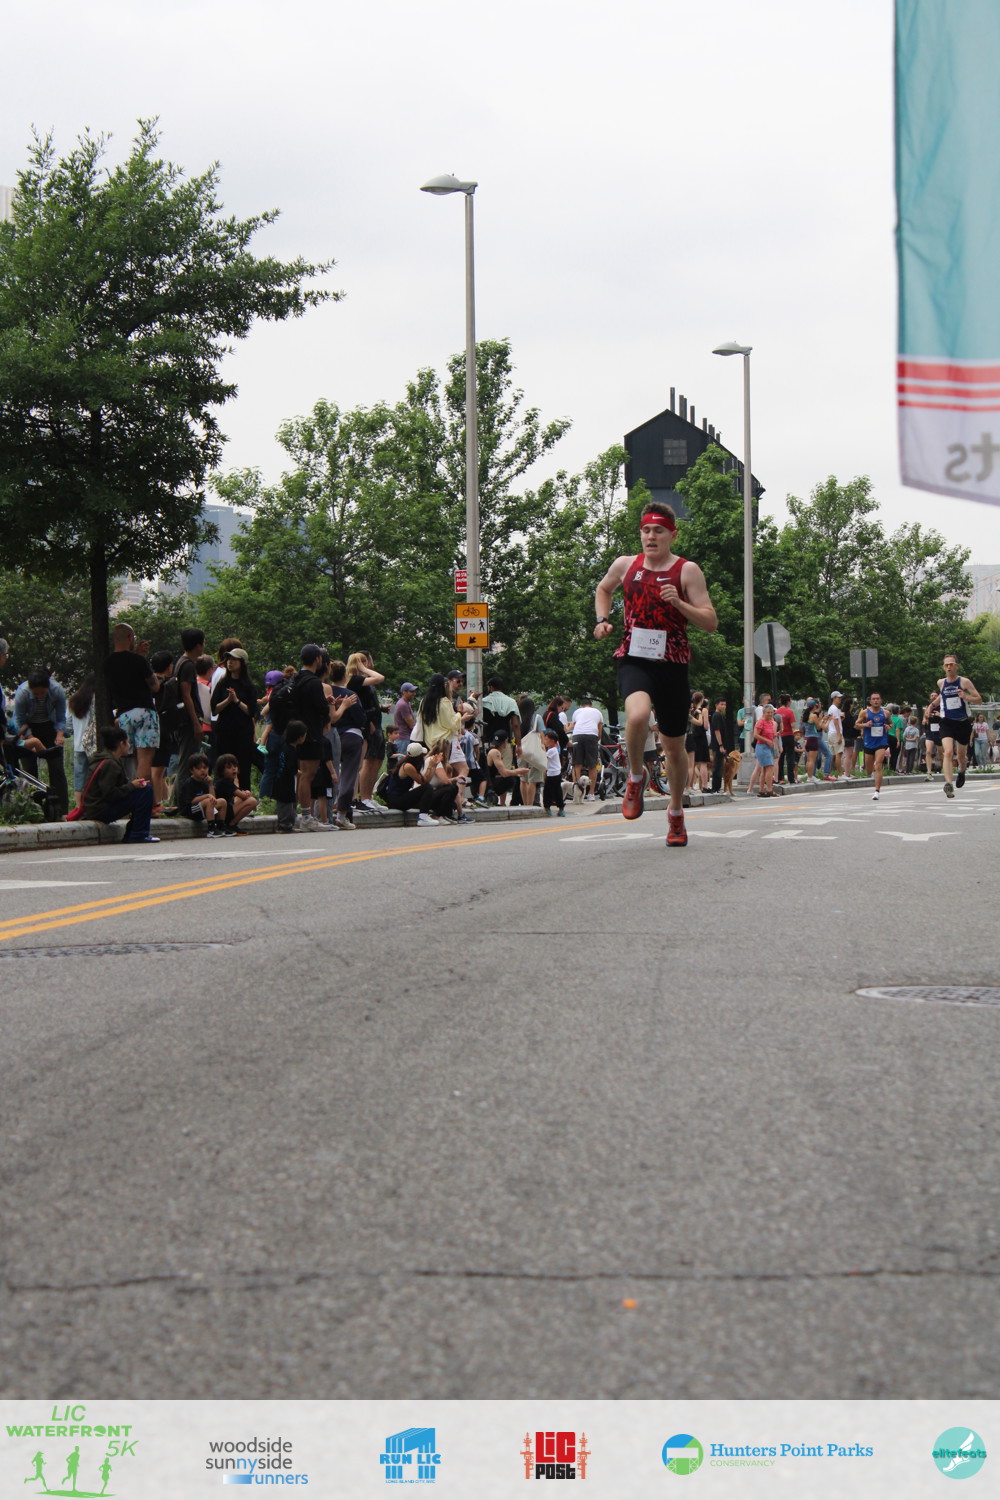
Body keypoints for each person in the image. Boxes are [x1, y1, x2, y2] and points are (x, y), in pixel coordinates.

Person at [594, 500, 718, 847]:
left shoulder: (687, 571)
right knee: (637, 716)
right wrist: (602, 620)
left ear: (672, 535)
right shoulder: (625, 565)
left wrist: (679, 603)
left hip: (672, 664)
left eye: (658, 531)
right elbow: (603, 589)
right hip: (634, 657)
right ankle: (636, 776)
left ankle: (675, 813)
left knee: (674, 748)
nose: (651, 536)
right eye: (646, 530)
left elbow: (710, 621)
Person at [103, 622, 160, 784]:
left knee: (130, 757)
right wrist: (141, 658)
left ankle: (129, 790)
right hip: (144, 712)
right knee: (145, 759)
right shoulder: (138, 660)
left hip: (124, 715)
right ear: (130, 637)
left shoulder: (107, 663)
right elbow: (155, 685)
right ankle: (141, 794)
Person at [80, 725, 158, 842]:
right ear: (121, 744)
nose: (129, 746)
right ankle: (138, 833)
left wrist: (132, 786)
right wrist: (132, 786)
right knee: (146, 791)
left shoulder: (106, 759)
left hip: (95, 808)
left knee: (143, 789)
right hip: (100, 810)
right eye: (128, 743)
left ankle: (133, 832)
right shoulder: (110, 764)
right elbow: (110, 794)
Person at [10, 668, 70, 814]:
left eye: (42, 693)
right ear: (30, 689)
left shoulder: (57, 690)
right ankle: (34, 808)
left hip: (50, 727)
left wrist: (60, 735)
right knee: (29, 770)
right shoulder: (22, 693)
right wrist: (32, 739)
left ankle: (61, 809)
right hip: (28, 729)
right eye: (35, 693)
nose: (39, 696)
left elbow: (61, 717)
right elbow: (19, 720)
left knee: (56, 768)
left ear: (48, 687)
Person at [210, 648, 257, 791]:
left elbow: (251, 711)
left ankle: (245, 794)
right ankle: (223, 796)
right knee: (223, 765)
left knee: (243, 765)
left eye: (234, 660)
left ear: (242, 663)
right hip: (225, 729)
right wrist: (228, 700)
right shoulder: (222, 683)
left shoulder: (248, 686)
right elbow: (214, 709)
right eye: (229, 659)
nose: (230, 662)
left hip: (243, 731)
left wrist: (236, 701)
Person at [382, 739, 459, 825]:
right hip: (396, 800)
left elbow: (426, 780)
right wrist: (430, 766)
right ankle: (423, 817)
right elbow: (423, 782)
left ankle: (439, 815)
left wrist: (433, 766)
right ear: (418, 756)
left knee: (440, 788)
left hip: (400, 798)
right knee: (427, 788)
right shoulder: (408, 766)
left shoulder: (407, 763)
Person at [938, 653, 982, 797]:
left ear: (956, 666)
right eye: (946, 665)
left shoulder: (964, 682)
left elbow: (979, 699)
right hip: (947, 722)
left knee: (961, 757)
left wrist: (965, 696)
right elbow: (941, 697)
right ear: (943, 667)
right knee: (948, 752)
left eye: (951, 664)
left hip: (963, 722)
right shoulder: (941, 683)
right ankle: (949, 784)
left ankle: (962, 770)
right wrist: (931, 706)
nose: (949, 667)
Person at [173, 628, 209, 781]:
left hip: (184, 720)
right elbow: (186, 695)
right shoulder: (187, 665)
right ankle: (181, 795)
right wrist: (196, 723)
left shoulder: (182, 662)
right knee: (188, 764)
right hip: (188, 721)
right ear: (198, 645)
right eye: (203, 642)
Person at [175, 752, 228, 836]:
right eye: (198, 768)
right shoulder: (189, 783)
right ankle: (211, 829)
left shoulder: (204, 783)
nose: (202, 770)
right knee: (208, 801)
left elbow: (213, 798)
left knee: (222, 801)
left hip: (202, 808)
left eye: (205, 767)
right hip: (190, 810)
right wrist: (207, 796)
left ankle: (221, 826)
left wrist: (210, 785)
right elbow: (192, 801)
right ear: (192, 770)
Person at [67, 673, 96, 810]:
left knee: (79, 777)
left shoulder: (74, 700)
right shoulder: (97, 699)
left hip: (78, 744)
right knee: (95, 776)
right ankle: (93, 805)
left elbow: (68, 724)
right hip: (94, 744)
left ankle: (79, 807)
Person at [274, 720, 308, 833]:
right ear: (299, 737)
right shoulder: (292, 750)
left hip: (279, 780)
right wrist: (297, 772)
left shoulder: (284, 747)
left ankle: (283, 823)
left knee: (284, 803)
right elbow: (291, 767)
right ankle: (285, 824)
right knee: (287, 803)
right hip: (286, 782)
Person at [567, 697, 604, 800]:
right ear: (591, 705)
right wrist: (596, 740)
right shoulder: (598, 712)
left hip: (577, 735)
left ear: (581, 706)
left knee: (577, 764)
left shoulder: (576, 712)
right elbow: (600, 731)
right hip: (591, 735)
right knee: (592, 765)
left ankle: (576, 792)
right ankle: (591, 793)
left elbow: (574, 725)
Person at [856, 692, 890, 800]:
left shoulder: (885, 713)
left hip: (881, 741)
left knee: (879, 764)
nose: (876, 701)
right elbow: (856, 725)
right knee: (869, 770)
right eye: (874, 699)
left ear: (881, 700)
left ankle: (877, 791)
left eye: (878, 699)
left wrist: (888, 726)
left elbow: (890, 724)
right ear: (870, 701)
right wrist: (865, 725)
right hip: (869, 742)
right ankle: (871, 769)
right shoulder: (865, 713)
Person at [213, 752, 258, 831]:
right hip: (223, 813)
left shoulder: (223, 781)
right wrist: (246, 792)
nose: (234, 769)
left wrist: (245, 792)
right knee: (252, 801)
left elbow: (239, 793)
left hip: (225, 809)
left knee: (245, 797)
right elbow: (243, 796)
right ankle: (232, 824)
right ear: (221, 771)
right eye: (229, 767)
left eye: (235, 766)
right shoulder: (224, 782)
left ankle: (230, 823)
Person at [486, 727, 530, 805]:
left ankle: (500, 802)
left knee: (509, 778)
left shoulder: (493, 751)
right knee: (510, 780)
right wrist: (518, 771)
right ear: (506, 741)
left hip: (488, 782)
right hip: (488, 785)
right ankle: (490, 796)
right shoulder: (495, 752)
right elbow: (504, 773)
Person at [517, 694, 547, 807]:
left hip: (521, 750)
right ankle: (530, 805)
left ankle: (525, 805)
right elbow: (542, 734)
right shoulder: (537, 718)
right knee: (532, 780)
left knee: (523, 779)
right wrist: (544, 749)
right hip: (534, 751)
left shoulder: (517, 717)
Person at [752, 701, 779, 796]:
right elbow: (756, 735)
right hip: (762, 747)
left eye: (771, 712)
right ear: (763, 712)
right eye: (768, 712)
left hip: (769, 747)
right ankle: (769, 789)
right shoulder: (760, 722)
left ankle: (761, 790)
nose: (770, 714)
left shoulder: (771, 722)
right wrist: (767, 740)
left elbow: (770, 734)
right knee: (770, 767)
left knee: (764, 769)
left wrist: (775, 735)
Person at [685, 691, 710, 792]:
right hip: (696, 737)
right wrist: (700, 715)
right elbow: (703, 725)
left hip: (686, 738)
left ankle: (690, 785)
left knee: (690, 763)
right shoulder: (701, 711)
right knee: (698, 763)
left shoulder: (691, 712)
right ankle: (702, 786)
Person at [541, 726, 566, 816]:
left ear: (552, 741)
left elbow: (544, 757)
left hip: (552, 774)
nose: (544, 741)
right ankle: (560, 808)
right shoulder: (553, 750)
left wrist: (542, 747)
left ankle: (548, 808)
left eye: (546, 739)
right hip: (555, 773)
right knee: (557, 790)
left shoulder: (552, 750)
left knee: (548, 791)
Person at [775, 692, 797, 785]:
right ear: (788, 702)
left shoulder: (776, 711)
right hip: (789, 735)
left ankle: (780, 777)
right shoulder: (790, 712)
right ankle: (791, 778)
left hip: (780, 736)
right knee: (790, 757)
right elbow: (793, 725)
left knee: (780, 757)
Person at [923, 691, 942, 779]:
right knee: (928, 751)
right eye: (932, 696)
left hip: (940, 732)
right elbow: (924, 719)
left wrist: (940, 715)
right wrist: (926, 718)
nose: (933, 697)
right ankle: (929, 772)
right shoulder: (928, 707)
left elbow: (947, 717)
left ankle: (946, 769)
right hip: (930, 731)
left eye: (935, 696)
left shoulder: (942, 706)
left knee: (941, 753)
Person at [393, 682, 419, 747]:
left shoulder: (406, 703)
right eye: (411, 692)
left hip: (403, 738)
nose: (414, 694)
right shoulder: (403, 705)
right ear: (404, 692)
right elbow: (411, 724)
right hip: (403, 739)